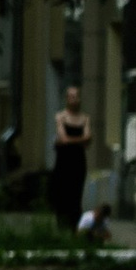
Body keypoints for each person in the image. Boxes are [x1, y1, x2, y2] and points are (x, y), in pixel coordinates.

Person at [51, 85, 94, 235]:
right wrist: (80, 140)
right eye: (72, 96)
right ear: (67, 99)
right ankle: (62, 227)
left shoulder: (84, 118)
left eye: (77, 96)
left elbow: (88, 139)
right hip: (64, 162)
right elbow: (64, 138)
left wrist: (70, 140)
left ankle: (75, 227)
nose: (75, 99)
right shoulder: (61, 117)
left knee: (76, 195)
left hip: (78, 161)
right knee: (62, 194)